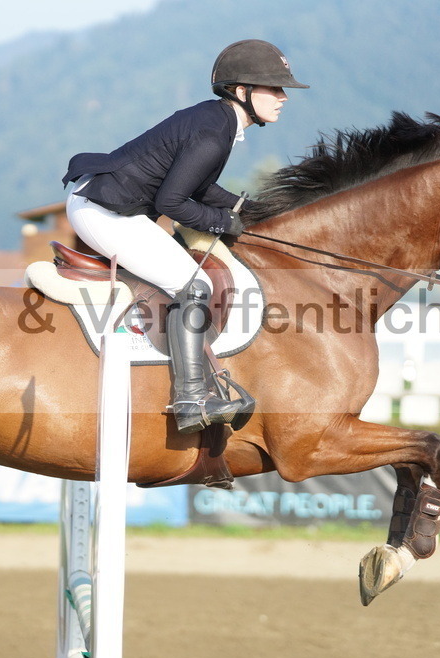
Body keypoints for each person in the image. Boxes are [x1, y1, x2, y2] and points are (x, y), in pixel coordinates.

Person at [61, 39, 308, 434]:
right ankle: (191, 397)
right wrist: (223, 223)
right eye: (274, 88)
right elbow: (173, 201)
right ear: (241, 91)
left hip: (104, 199)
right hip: (103, 209)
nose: (283, 97)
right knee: (195, 286)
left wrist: (248, 208)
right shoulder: (214, 133)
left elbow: (199, 186)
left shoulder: (217, 121)